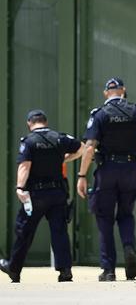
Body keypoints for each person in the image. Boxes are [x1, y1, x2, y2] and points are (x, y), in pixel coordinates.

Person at [76, 78, 136, 281]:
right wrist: (133, 146)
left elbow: (90, 147)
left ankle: (108, 270)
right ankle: (129, 247)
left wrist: (82, 175)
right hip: (130, 169)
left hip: (107, 170)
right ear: (123, 91)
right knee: (126, 215)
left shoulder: (99, 114)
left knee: (104, 219)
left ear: (106, 93)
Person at [0, 110, 83, 283]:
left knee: (24, 231)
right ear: (45, 122)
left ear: (29, 123)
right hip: (57, 193)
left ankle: (14, 269)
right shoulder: (59, 138)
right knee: (59, 231)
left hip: (35, 194)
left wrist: (20, 187)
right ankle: (65, 270)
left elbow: (25, 166)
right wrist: (65, 159)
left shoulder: (29, 142)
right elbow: (82, 148)